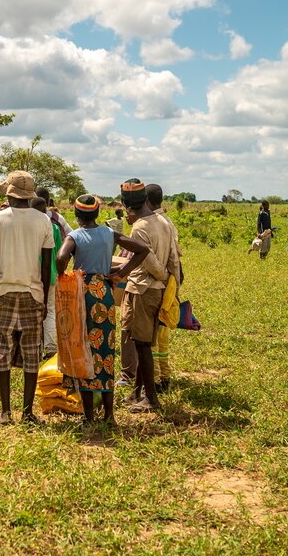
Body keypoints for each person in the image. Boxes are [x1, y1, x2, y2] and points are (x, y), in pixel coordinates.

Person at [56, 194, 148, 426]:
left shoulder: (75, 236)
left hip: (82, 293)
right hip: (104, 293)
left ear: (76, 216)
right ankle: (109, 415)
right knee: (105, 351)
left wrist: (63, 275)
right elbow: (141, 250)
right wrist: (120, 273)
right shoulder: (110, 234)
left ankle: (88, 417)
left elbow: (61, 256)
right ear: (97, 214)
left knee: (84, 349)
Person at [0, 171, 54, 426]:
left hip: (3, 292)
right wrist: (44, 298)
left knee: (3, 350)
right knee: (31, 354)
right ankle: (27, 413)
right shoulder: (43, 220)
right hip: (33, 293)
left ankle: (5, 412)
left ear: (9, 193)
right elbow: (46, 265)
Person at [118, 179, 179, 413]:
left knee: (142, 345)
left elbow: (149, 260)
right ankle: (137, 392)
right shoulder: (163, 221)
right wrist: (171, 281)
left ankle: (151, 399)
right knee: (141, 340)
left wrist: (163, 276)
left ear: (125, 205)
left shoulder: (139, 227)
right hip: (155, 289)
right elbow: (173, 255)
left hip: (144, 289)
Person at [144, 183, 182, 393]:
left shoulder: (151, 223)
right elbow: (176, 257)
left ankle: (157, 378)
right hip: (170, 284)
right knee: (163, 332)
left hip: (157, 283)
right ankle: (165, 375)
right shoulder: (168, 222)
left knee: (152, 337)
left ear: (147, 201)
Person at [30, 195, 62, 359]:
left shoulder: (28, 227)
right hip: (51, 275)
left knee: (33, 311)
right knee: (49, 311)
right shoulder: (54, 228)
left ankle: (34, 346)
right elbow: (59, 252)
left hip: (33, 276)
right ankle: (50, 346)